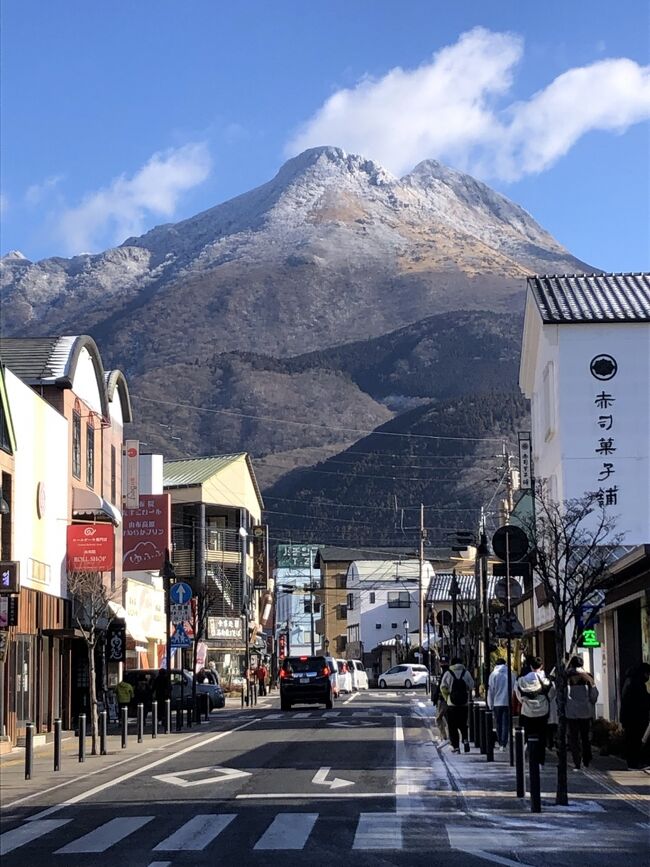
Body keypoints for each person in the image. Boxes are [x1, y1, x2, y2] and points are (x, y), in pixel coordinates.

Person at [515, 656, 553, 766]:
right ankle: (541, 761)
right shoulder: (546, 681)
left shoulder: (521, 680)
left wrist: (524, 701)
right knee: (541, 737)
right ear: (541, 666)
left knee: (527, 736)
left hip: (527, 711)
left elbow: (518, 695)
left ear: (530, 666)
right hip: (542, 712)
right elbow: (551, 694)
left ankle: (529, 757)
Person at [565, 655, 598, 770]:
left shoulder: (566, 677)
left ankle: (577, 761)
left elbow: (562, 696)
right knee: (585, 737)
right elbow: (594, 695)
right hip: (585, 712)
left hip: (571, 712)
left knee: (574, 738)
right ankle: (587, 760)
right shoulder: (588, 677)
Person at [619, 662, 650, 770]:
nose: (648, 677)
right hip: (636, 717)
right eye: (647, 674)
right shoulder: (637, 683)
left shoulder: (629, 680)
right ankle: (634, 763)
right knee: (635, 740)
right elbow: (642, 700)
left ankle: (632, 763)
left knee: (631, 740)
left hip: (629, 717)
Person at [440, 657, 474, 754]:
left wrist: (447, 697)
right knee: (463, 724)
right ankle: (465, 739)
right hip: (464, 704)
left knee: (452, 726)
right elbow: (471, 685)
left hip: (452, 704)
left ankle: (456, 747)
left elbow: (443, 687)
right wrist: (465, 690)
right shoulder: (466, 673)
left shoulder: (448, 673)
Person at [488, 656, 512, 751]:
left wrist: (490, 704)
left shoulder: (493, 675)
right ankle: (504, 743)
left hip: (497, 703)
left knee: (498, 723)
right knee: (505, 724)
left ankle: (500, 742)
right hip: (507, 702)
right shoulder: (510, 674)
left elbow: (491, 691)